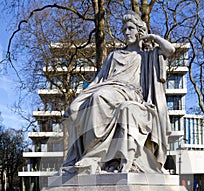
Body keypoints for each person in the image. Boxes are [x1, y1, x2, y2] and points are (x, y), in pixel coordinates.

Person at [63, 11, 175, 174]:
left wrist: (152, 38)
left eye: (131, 28)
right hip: (107, 87)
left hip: (130, 93)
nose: (127, 32)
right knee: (79, 107)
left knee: (99, 98)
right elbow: (98, 81)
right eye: (124, 30)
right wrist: (79, 99)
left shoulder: (145, 55)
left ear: (139, 31)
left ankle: (94, 156)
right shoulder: (114, 55)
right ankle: (93, 158)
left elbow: (169, 50)